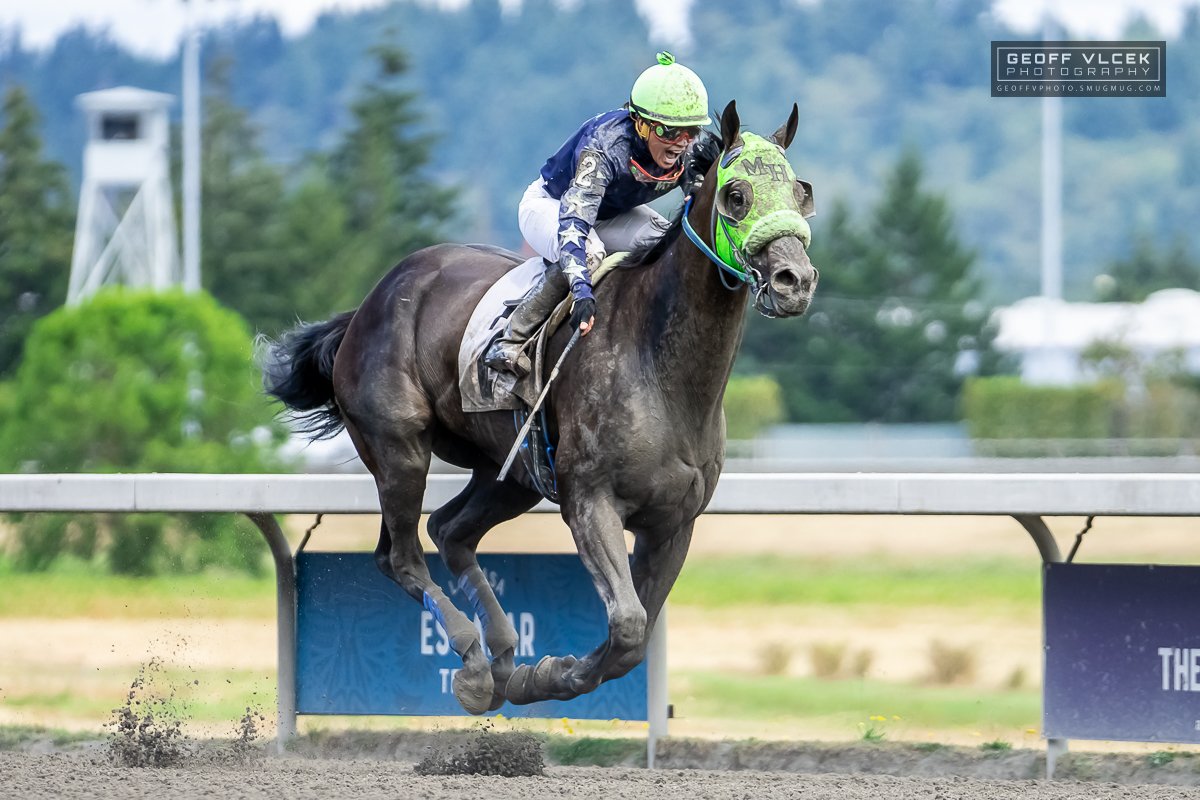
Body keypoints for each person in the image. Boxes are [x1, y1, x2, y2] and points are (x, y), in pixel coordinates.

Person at [483, 52, 712, 376]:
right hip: (553, 207)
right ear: (641, 124)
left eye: (690, 131)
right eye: (669, 132)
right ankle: (510, 339)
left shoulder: (687, 149)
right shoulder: (604, 148)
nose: (681, 143)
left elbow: (698, 203)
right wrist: (582, 293)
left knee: (666, 242)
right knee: (589, 254)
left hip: (610, 214)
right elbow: (575, 225)